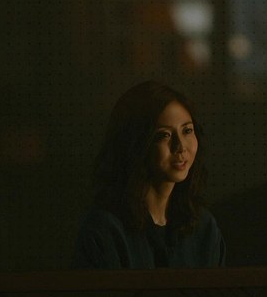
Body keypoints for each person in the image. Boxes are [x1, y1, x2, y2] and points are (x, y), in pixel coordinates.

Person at [72, 81, 225, 268]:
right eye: (164, 135)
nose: (180, 147)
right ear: (136, 143)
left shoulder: (204, 227)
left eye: (187, 131)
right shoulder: (104, 229)